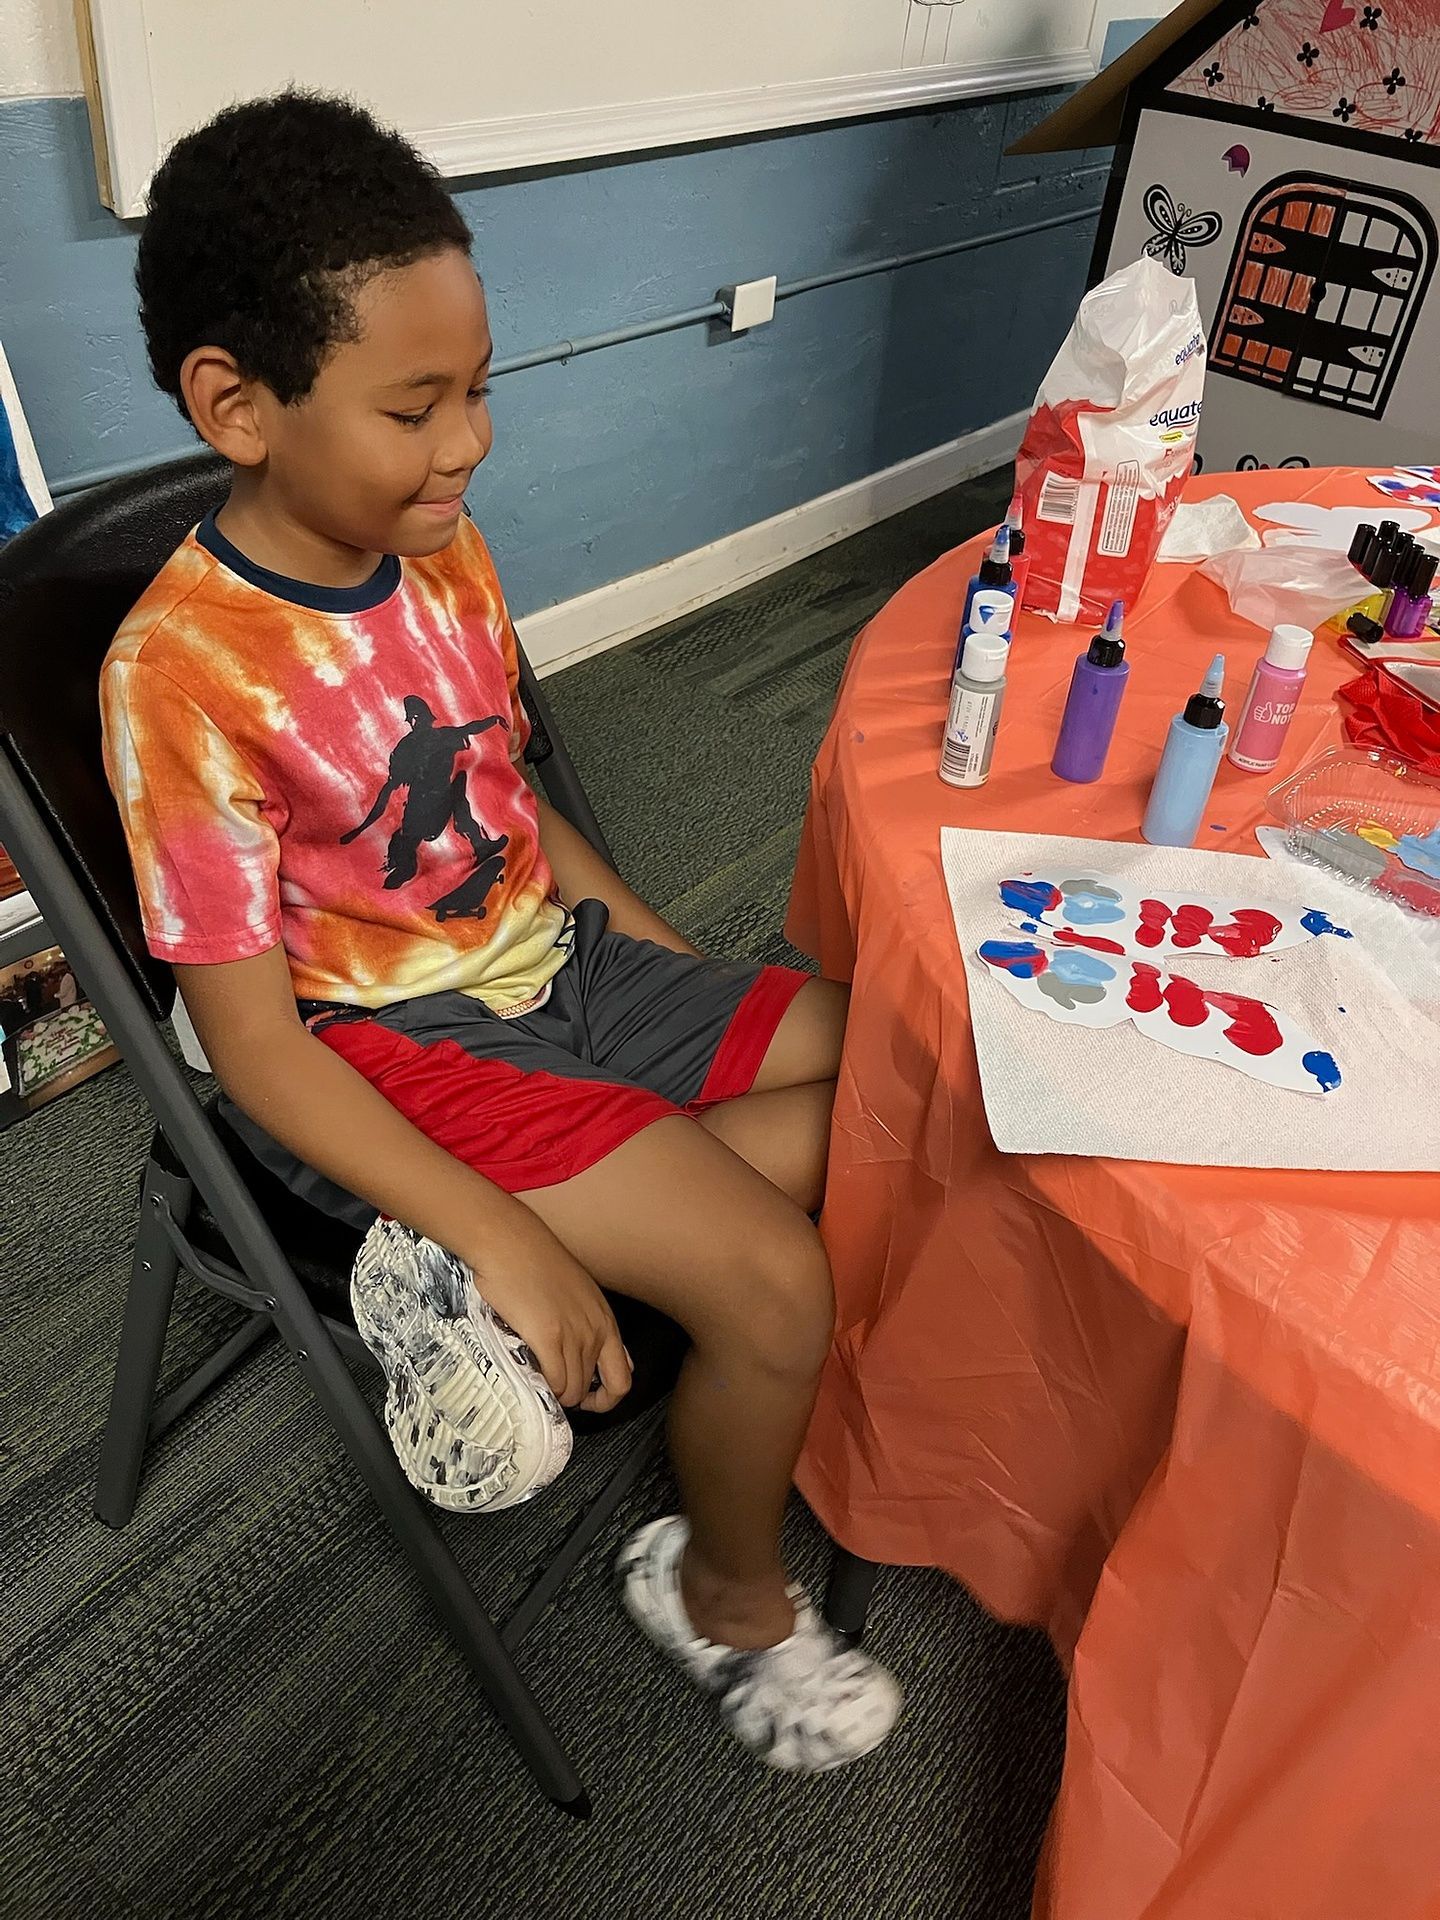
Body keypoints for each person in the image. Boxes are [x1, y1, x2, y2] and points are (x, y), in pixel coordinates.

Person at [101, 91, 900, 1772]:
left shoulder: (437, 546)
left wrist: (682, 979)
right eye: (417, 405)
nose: (468, 442)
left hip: (557, 967)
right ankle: (722, 1592)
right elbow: (248, 1048)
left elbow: (515, 815)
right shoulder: (180, 677)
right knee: (772, 1285)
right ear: (236, 405)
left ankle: (506, 1245)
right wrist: (508, 1224)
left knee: (909, 1063)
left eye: (479, 390)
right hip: (402, 1049)